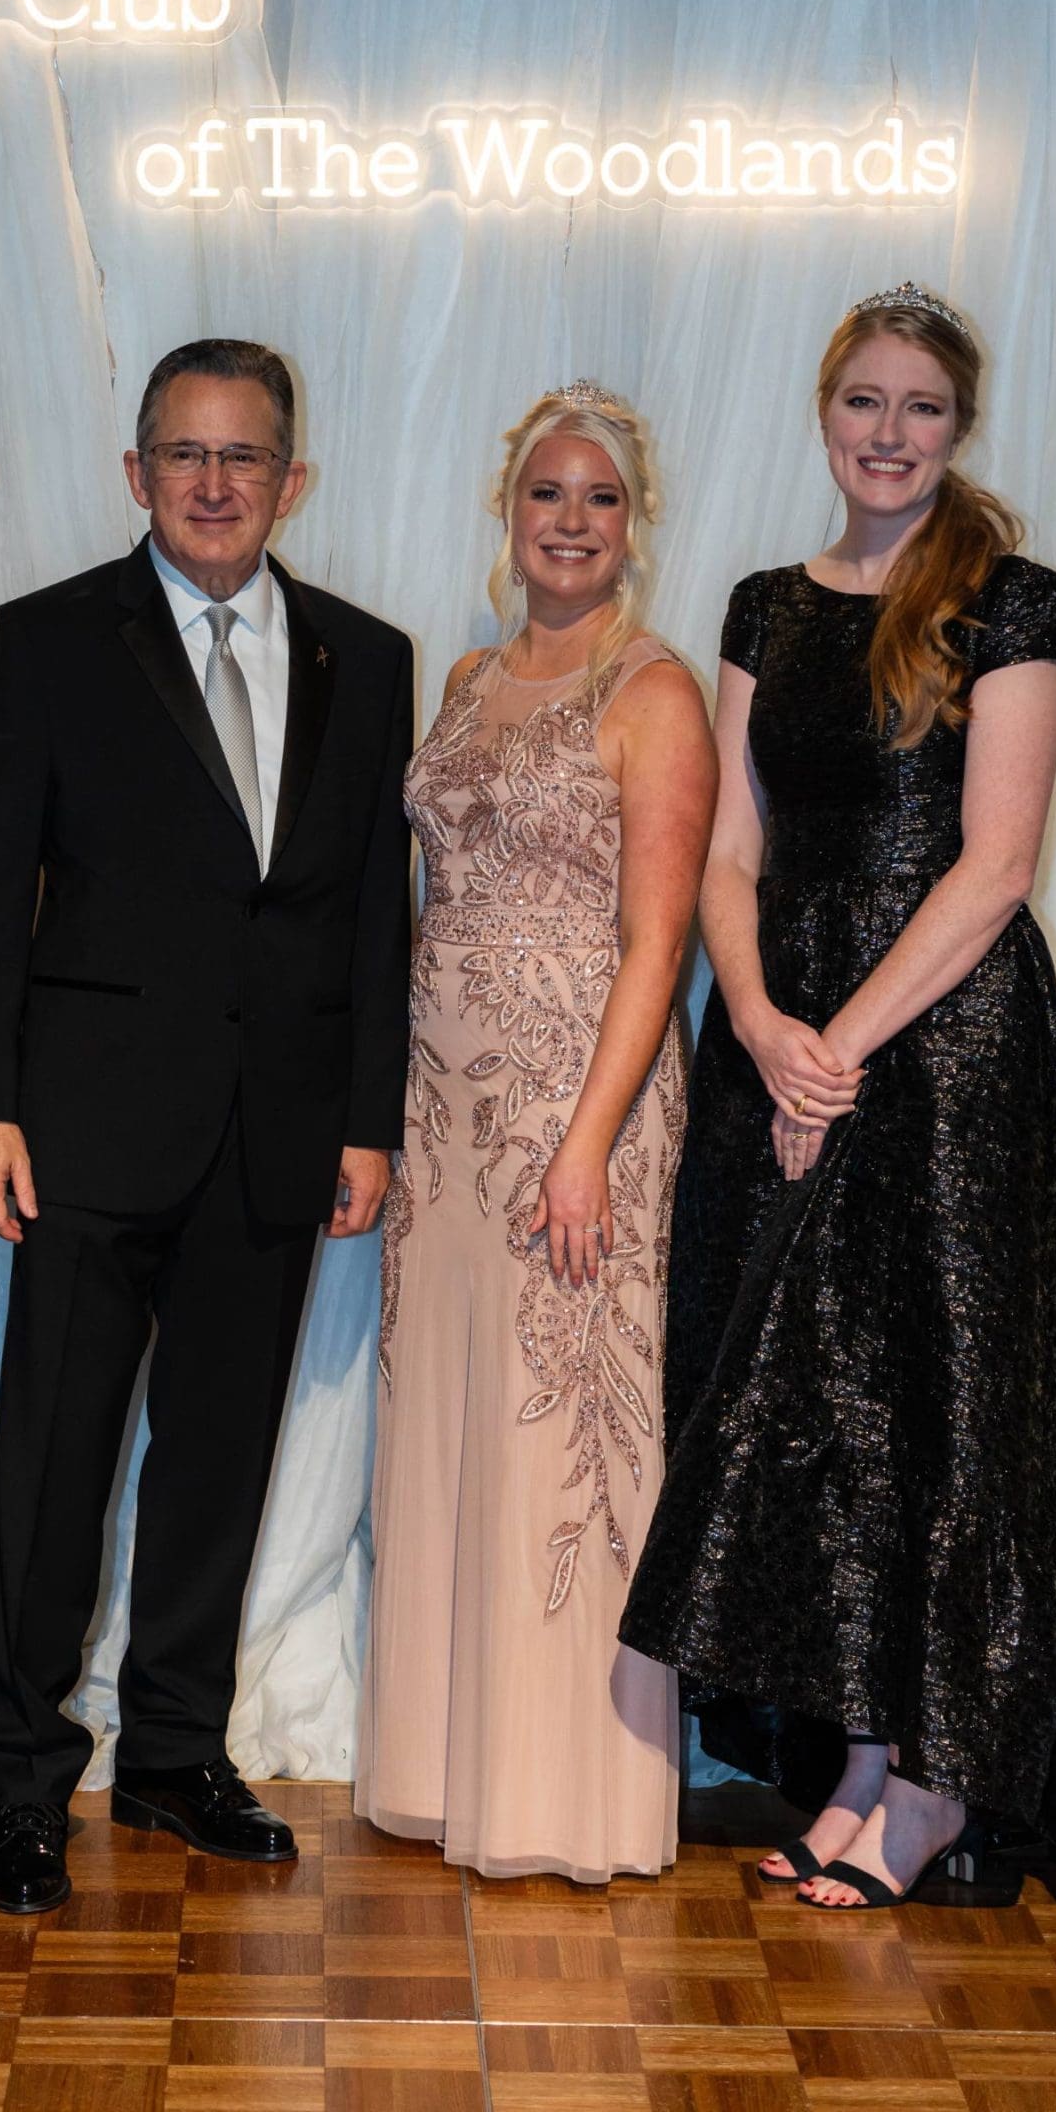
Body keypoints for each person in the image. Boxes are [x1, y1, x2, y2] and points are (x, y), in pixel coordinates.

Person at [620, 284, 1056, 1912]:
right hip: (781, 1031)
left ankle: (939, 1786)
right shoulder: (765, 606)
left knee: (944, 1403)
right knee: (822, 1409)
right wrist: (762, 1023)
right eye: (864, 401)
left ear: (959, 425)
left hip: (944, 1052)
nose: (889, 432)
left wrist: (839, 1049)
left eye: (921, 406)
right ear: (825, 413)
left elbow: (996, 867)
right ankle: (862, 1765)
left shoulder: (1014, 603)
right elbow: (732, 848)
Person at [0, 337, 413, 1914]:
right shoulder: (46, 640)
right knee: (53, 1470)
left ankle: (173, 1753)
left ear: (294, 478)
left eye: (245, 456)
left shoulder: (369, 658)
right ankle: (17, 1778)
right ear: (136, 473)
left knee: (219, 1462)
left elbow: (373, 914)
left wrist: (366, 1122)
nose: (216, 484)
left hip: (277, 1132)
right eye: (187, 456)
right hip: (83, 1127)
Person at [354, 382, 716, 1881]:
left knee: (560, 1432)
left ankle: (570, 1796)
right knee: (455, 1416)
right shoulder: (463, 679)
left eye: (601, 498)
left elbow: (658, 943)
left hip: (579, 1108)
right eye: (546, 494)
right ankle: (446, 1765)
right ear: (508, 513)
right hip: (445, 1118)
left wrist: (585, 1147)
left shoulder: (655, 692)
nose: (571, 521)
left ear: (635, 524)